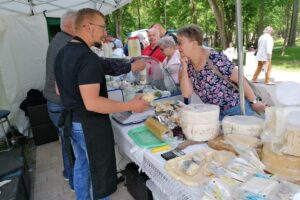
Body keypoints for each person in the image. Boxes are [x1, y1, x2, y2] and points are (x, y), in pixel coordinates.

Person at [54, 8, 149, 200]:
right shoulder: (86, 57)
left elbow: (58, 90)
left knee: (82, 165)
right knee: (100, 175)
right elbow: (92, 103)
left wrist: (130, 65)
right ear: (88, 27)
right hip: (88, 125)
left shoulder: (63, 52)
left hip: (72, 121)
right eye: (102, 27)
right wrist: (130, 105)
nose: (105, 33)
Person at [177, 25, 266, 120]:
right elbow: (186, 93)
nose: (177, 47)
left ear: (194, 44)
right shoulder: (188, 64)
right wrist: (184, 67)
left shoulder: (215, 58)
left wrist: (254, 102)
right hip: (216, 113)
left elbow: (240, 79)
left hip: (237, 110)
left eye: (179, 43)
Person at [43, 10, 76, 190]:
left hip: (53, 101)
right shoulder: (67, 43)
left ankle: (68, 173)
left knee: (65, 141)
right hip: (59, 102)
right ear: (71, 26)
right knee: (69, 143)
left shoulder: (58, 39)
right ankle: (73, 180)